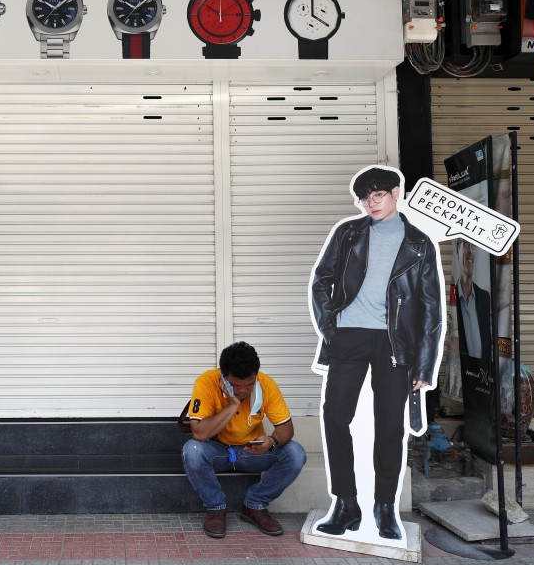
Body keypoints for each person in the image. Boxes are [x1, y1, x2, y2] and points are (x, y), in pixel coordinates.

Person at [310, 167, 443, 541]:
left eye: (378, 195)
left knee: (389, 426)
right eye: (365, 197)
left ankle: (385, 506)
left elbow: (431, 309)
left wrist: (425, 364)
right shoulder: (348, 233)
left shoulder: (419, 244)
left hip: (394, 343)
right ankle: (345, 503)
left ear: (396, 192)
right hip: (348, 337)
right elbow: (322, 281)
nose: (371, 203)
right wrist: (332, 330)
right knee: (335, 417)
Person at [181, 341, 307, 539]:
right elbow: (199, 433)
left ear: (256, 376)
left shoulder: (266, 383)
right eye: (235, 385)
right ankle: (216, 508)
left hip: (252, 451)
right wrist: (232, 405)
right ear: (223, 377)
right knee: (192, 450)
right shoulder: (206, 382)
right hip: (219, 451)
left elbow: (286, 428)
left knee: (296, 453)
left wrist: (271, 441)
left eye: (249, 385)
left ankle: (254, 505)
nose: (242, 391)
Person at [455, 238, 493, 361]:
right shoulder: (452, 298)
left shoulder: (485, 297)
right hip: (462, 369)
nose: (470, 251)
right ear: (457, 251)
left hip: (483, 369)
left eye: (474, 247)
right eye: (466, 245)